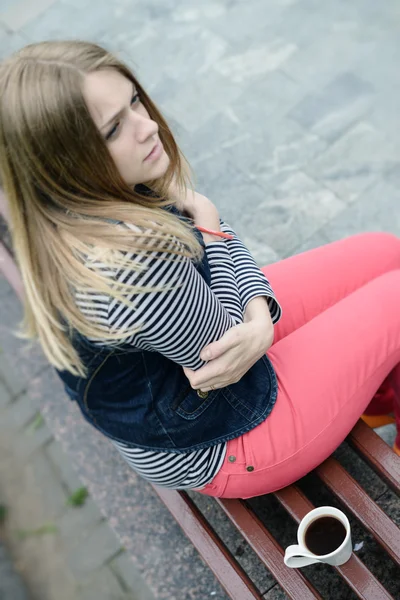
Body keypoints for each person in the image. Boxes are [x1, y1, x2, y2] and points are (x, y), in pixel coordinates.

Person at [0, 40, 399, 500]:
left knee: (385, 251)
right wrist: (210, 226)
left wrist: (252, 308)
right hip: (225, 437)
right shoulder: (127, 261)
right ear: (63, 166)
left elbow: (225, 291)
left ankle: (370, 402)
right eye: (113, 130)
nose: (148, 126)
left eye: (133, 102)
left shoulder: (74, 208)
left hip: (203, 368)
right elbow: (233, 351)